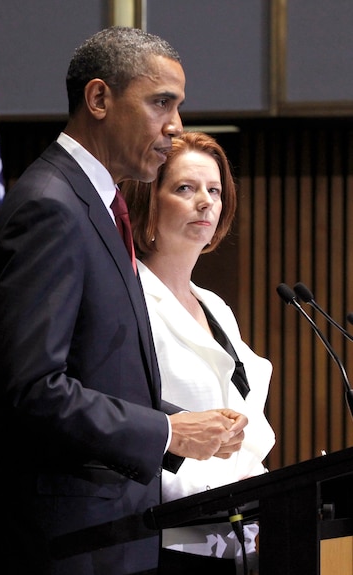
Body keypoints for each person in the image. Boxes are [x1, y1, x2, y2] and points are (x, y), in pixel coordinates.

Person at [0, 27, 248, 575]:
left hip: (106, 543)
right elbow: (34, 390)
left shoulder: (95, 203)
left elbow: (97, 378)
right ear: (98, 99)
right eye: (162, 103)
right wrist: (168, 432)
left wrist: (182, 424)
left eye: (178, 106)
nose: (175, 126)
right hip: (59, 549)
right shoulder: (51, 207)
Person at [121, 131, 275, 574]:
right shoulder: (130, 300)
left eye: (215, 190)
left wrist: (253, 485)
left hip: (232, 532)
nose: (205, 202)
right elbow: (133, 420)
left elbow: (246, 418)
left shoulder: (215, 307)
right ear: (150, 201)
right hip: (163, 539)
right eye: (185, 189)